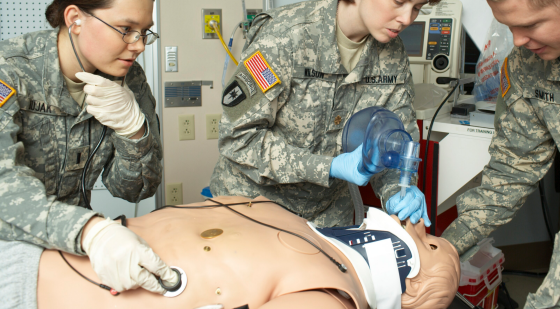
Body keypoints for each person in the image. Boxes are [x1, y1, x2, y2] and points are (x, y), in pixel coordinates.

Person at [440, 0, 560, 307]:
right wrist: (446, 248)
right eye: (509, 26)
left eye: (529, 25)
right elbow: (512, 168)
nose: (517, 40)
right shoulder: (526, 64)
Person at [0, 0, 178, 304]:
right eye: (125, 30)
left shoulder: (129, 80)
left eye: (144, 32)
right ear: (75, 19)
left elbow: (135, 190)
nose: (139, 45)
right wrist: (91, 232)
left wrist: (133, 131)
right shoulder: (10, 70)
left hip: (73, 248)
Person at [210, 0, 435, 228]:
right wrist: (328, 167)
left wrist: (398, 189)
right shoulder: (283, 36)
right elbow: (237, 138)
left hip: (328, 218)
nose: (407, 18)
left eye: (417, 7)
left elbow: (395, 142)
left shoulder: (393, 54)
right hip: (254, 210)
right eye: (399, 2)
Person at [35, 196, 461, 309]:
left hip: (37, 293)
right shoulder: (302, 227)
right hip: (48, 242)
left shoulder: (328, 295)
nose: (416, 224)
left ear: (409, 286)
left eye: (428, 242)